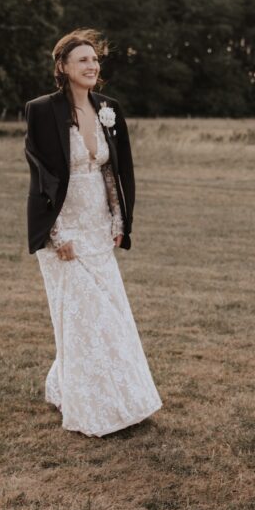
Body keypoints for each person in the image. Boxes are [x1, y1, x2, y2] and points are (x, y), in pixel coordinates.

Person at [24, 28, 161, 436]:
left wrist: (120, 222)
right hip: (63, 231)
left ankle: (120, 398)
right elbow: (44, 174)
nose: (92, 65)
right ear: (63, 67)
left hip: (100, 228)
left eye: (95, 59)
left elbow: (115, 170)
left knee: (109, 317)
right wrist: (57, 233)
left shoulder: (109, 109)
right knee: (82, 318)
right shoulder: (42, 110)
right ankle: (89, 407)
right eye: (82, 59)